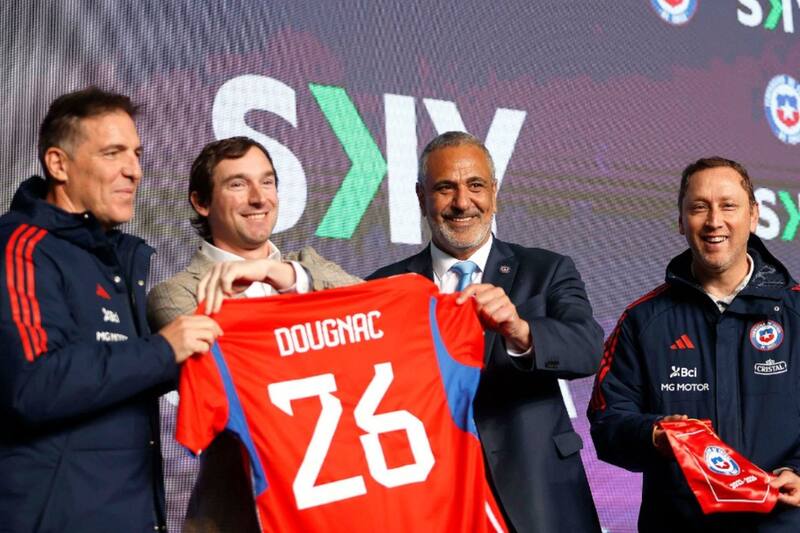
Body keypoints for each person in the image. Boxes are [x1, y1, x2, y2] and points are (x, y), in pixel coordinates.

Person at [0, 87, 221, 532]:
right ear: (58, 164)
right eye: (113, 153)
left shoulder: (117, 259)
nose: (134, 171)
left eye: (137, 153)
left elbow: (118, 378)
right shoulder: (20, 248)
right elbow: (34, 384)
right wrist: (163, 350)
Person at [368, 131, 603, 532]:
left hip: (538, 497)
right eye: (445, 188)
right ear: (421, 196)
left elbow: (587, 347)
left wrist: (521, 331)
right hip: (431, 500)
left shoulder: (546, 270)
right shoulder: (385, 287)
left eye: (475, 185)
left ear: (494, 193)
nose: (463, 203)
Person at [147, 136, 360, 532]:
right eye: (238, 184)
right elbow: (236, 373)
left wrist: (280, 275)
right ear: (201, 202)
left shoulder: (309, 267)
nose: (260, 198)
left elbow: (374, 309)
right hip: (239, 515)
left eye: (267, 182)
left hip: (338, 503)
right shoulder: (175, 293)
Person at [589, 157, 800, 532]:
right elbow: (607, 424)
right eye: (699, 207)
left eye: (728, 206)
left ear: (754, 217)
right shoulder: (643, 321)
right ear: (681, 221)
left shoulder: (797, 312)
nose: (714, 221)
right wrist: (653, 434)